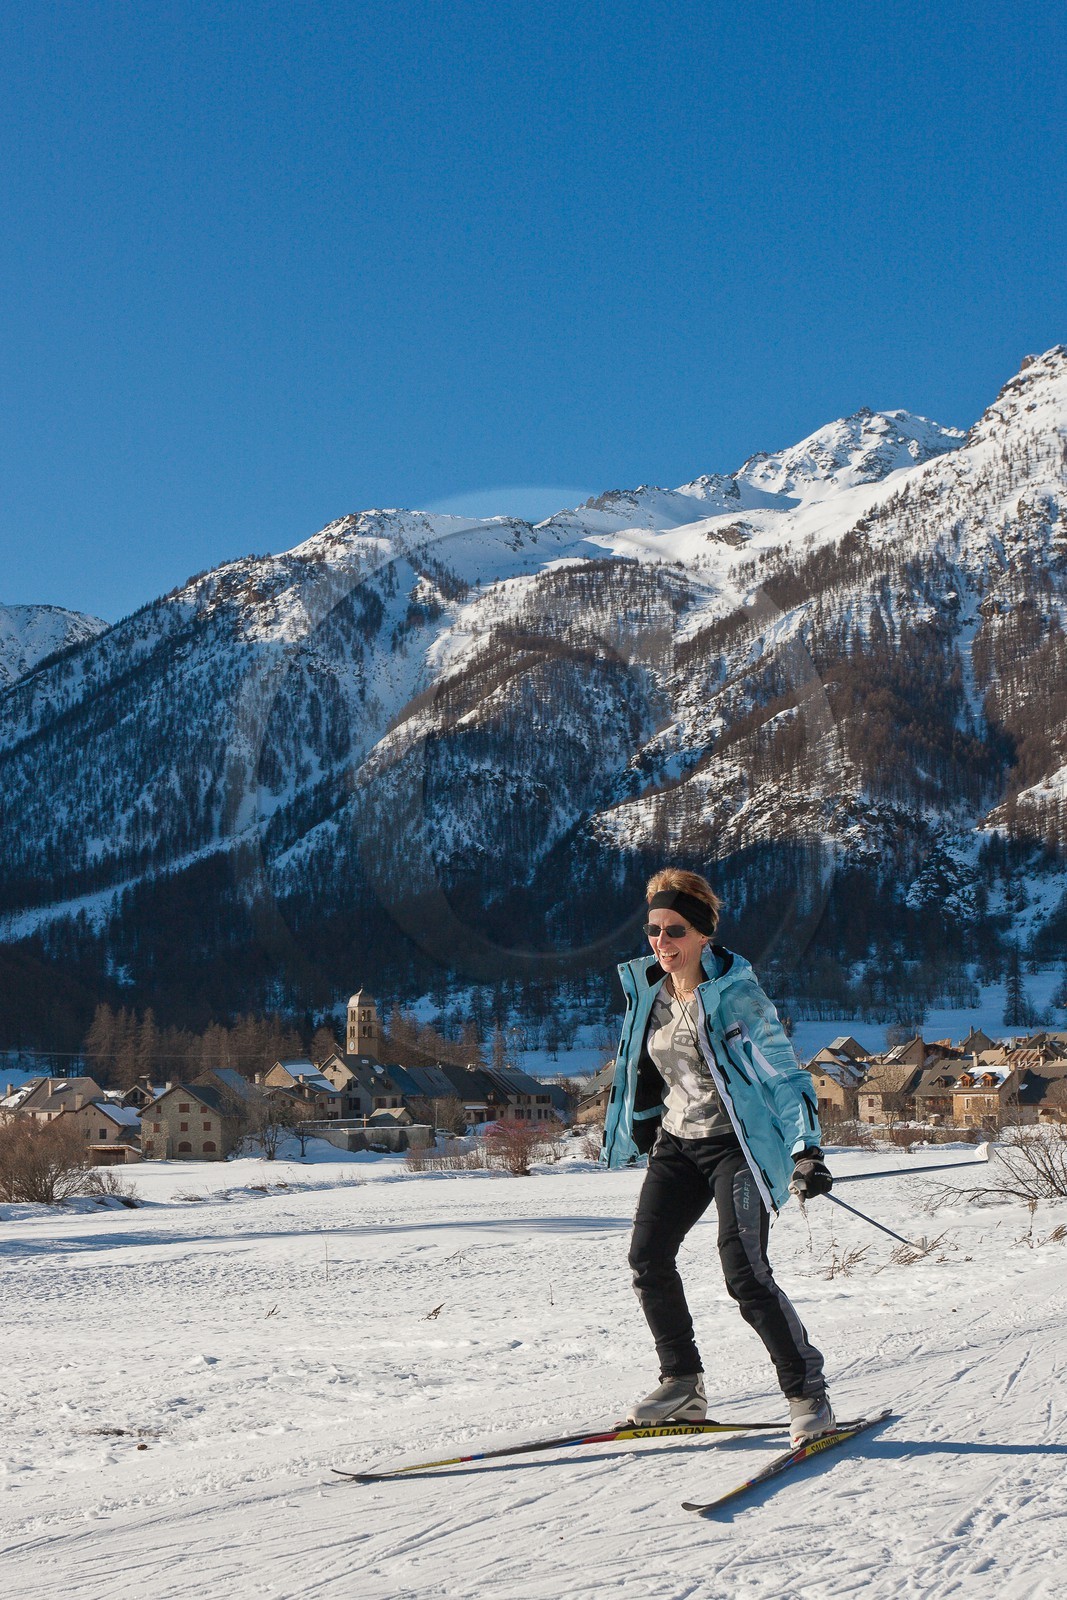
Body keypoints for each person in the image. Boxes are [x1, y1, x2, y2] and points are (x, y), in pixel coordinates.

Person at [601, 867, 835, 1446]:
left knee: (744, 1273)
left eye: (675, 930)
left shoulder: (739, 997)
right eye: (653, 930)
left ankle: (807, 1394)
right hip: (677, 1143)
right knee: (647, 1259)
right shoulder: (647, 992)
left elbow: (785, 1077)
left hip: (738, 1146)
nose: (661, 943)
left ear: (704, 933)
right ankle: (682, 1385)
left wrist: (808, 1150)